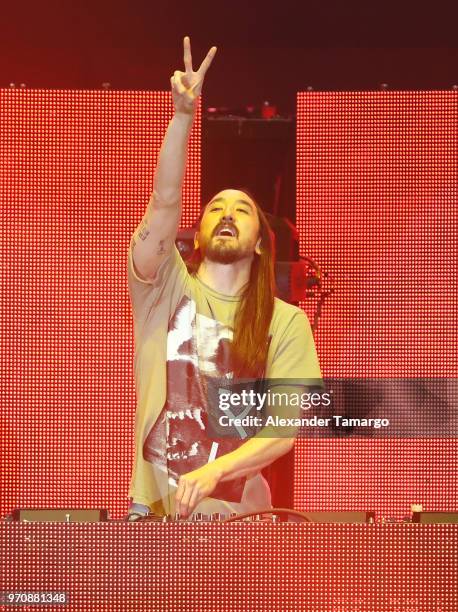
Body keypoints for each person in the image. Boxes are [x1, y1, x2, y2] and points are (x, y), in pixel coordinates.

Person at [126, 37, 322, 520]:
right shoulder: (165, 289)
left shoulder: (287, 322)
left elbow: (283, 427)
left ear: (260, 240)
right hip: (155, 516)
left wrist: (217, 470)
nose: (227, 213)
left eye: (241, 209)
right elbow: (165, 199)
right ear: (198, 231)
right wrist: (181, 117)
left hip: (243, 523)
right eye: (215, 206)